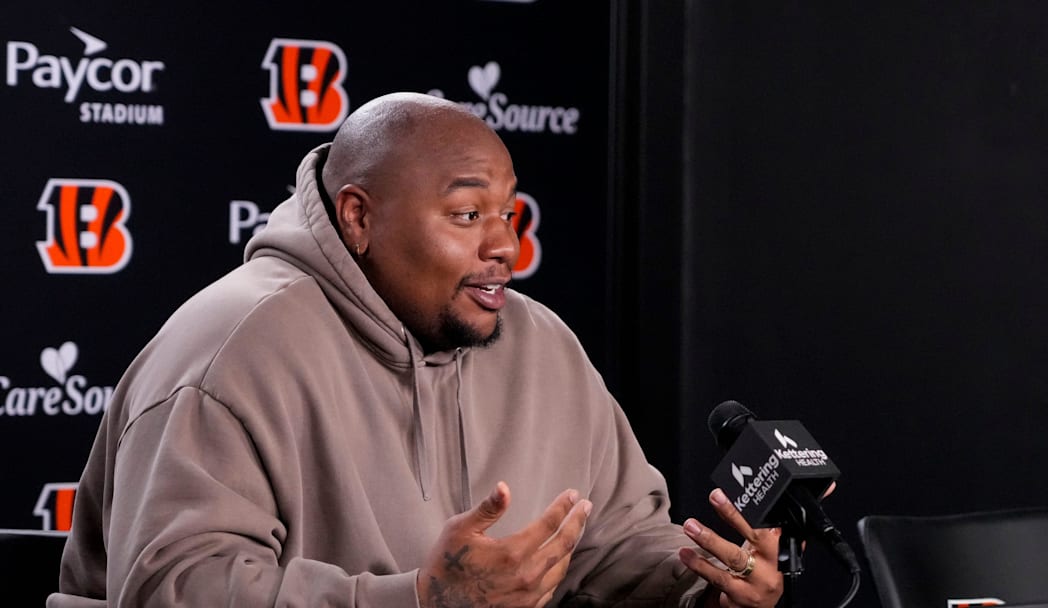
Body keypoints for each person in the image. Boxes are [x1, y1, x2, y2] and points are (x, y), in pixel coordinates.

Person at [48, 92, 783, 607]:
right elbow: (175, 588)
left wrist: (702, 585)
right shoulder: (231, 348)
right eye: (466, 214)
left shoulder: (542, 345)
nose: (504, 245)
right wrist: (423, 599)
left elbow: (618, 545)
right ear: (359, 217)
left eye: (508, 213)